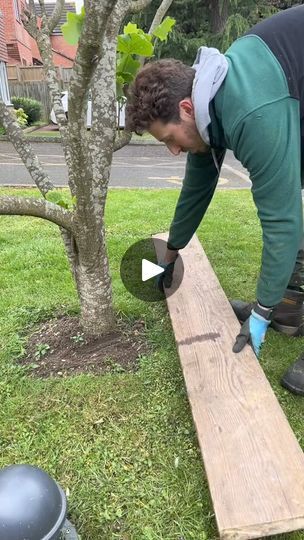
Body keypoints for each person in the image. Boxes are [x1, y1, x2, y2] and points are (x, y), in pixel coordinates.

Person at [126, 5, 304, 395]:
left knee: (288, 216)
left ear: (186, 110)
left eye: (169, 139)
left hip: (276, 103)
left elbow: (282, 220)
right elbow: (197, 187)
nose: (173, 151)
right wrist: (170, 253)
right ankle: (290, 311)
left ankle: (274, 309)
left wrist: (258, 312)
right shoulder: (212, 97)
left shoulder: (251, 111)